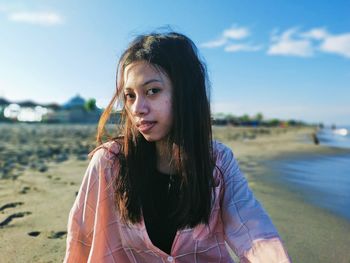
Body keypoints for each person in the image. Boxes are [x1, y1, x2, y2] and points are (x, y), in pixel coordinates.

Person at [64, 31, 291, 263]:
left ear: (186, 94)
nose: (137, 108)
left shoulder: (218, 161)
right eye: (130, 96)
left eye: (152, 91)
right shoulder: (109, 162)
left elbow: (253, 230)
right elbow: (82, 238)